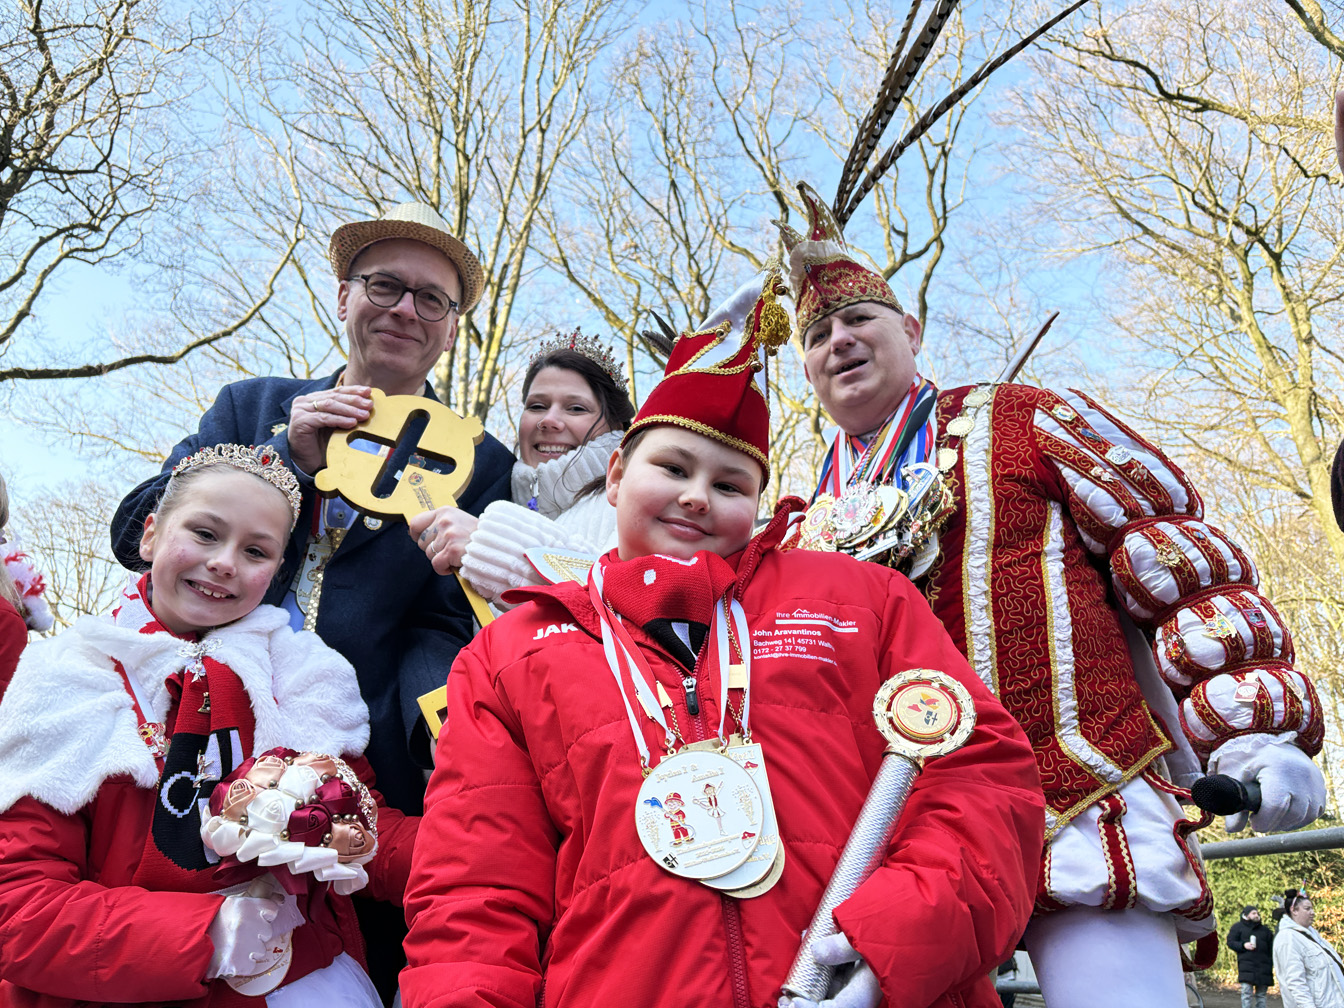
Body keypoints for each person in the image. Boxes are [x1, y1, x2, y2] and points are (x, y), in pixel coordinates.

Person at [400, 280, 1046, 1008]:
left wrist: (889, 946)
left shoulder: (864, 600)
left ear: (761, 503)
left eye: (731, 483)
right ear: (615, 475)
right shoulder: (508, 653)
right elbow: (473, 889)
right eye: (671, 469)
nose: (698, 496)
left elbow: (982, 782)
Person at [773, 181, 1327, 1006]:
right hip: (900, 850)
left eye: (859, 320)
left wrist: (1253, 735)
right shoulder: (799, 523)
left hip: (1077, 800)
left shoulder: (1025, 418)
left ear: (911, 331)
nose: (839, 340)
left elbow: (1174, 558)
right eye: (817, 334)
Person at [109, 202, 513, 998]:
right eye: (385, 285)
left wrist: (433, 731)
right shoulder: (251, 406)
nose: (405, 309)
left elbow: (451, 623)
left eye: (431, 298)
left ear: (452, 328)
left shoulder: (478, 459)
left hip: (370, 762)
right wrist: (280, 457)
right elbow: (139, 530)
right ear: (342, 297)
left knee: (358, 961)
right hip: (196, 735)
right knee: (183, 944)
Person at [0, 444, 417, 1006]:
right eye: (203, 533)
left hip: (300, 981)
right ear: (149, 535)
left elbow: (361, 826)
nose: (224, 562)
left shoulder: (302, 677)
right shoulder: (67, 678)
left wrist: (472, 853)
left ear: (274, 573)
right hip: (115, 987)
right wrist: (204, 935)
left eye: (255, 550)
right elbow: (18, 905)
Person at [410, 328, 634, 601]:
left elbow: (622, 599)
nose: (548, 420)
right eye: (537, 406)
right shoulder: (490, 495)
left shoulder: (631, 505)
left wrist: (488, 544)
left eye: (576, 408)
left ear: (618, 426)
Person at [1275, 890, 1344, 1008]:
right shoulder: (1288, 938)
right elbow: (1296, 983)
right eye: (1307, 909)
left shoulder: (1313, 935)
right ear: (1294, 910)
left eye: (1312, 908)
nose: (1312, 913)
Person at [1228, 905, 1275, 1008]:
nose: (1256, 915)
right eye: (1253, 913)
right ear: (1246, 915)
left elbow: (1272, 949)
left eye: (1257, 913)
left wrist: (1273, 963)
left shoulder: (1265, 931)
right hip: (1246, 967)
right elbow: (1230, 942)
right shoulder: (1237, 928)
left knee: (1261, 996)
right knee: (1246, 994)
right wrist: (1243, 945)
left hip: (1264, 968)